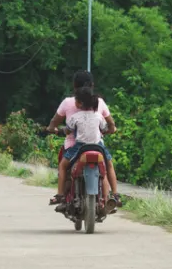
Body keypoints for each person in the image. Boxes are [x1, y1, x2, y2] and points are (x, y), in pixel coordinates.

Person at [46, 71, 120, 205]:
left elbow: (64, 128)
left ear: (74, 87)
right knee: (107, 165)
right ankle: (114, 195)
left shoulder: (70, 106)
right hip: (98, 145)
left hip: (77, 146)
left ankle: (60, 195)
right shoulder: (100, 104)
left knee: (63, 166)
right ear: (92, 86)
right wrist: (110, 130)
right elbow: (109, 125)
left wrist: (56, 130)